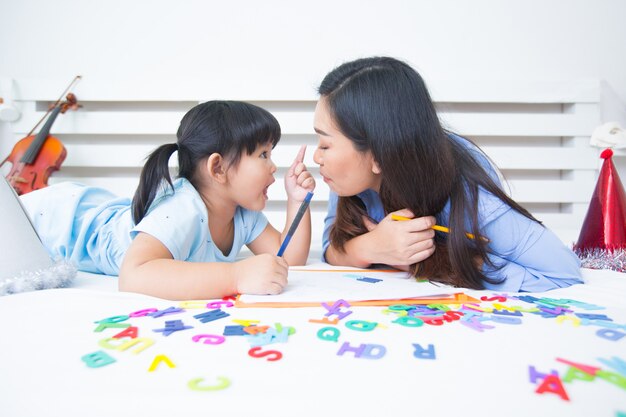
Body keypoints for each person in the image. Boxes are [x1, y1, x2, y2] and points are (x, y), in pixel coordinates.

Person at [313, 56, 583, 292]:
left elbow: (562, 271)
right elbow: (330, 247)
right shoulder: (349, 179)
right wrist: (371, 247)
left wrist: (432, 261)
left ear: (378, 155)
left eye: (325, 144)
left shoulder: (466, 190)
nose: (317, 157)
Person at [20, 100, 315, 300]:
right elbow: (134, 277)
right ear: (218, 168)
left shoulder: (241, 213)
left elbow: (288, 259)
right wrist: (237, 275)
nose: (274, 166)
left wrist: (297, 202)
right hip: (55, 218)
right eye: (263, 154)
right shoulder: (182, 209)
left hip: (101, 210)